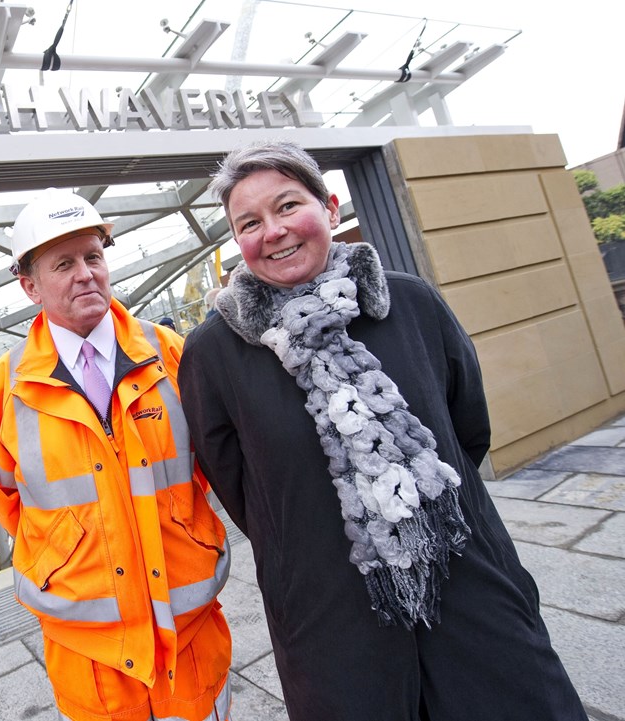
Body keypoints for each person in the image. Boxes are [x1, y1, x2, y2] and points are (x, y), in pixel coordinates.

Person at [178, 140, 587, 721]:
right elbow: (242, 489)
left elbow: (465, 429)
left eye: (289, 205)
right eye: (250, 222)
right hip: (330, 617)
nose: (273, 231)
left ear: (331, 207)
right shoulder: (215, 352)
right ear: (238, 243)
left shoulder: (411, 303)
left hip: (469, 586)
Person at [0, 188, 232, 721]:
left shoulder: (166, 352)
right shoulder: (9, 387)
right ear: (30, 287)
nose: (86, 273)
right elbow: (6, 497)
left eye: (93, 256)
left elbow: (207, 469)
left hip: (187, 634)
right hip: (92, 655)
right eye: (63, 264)